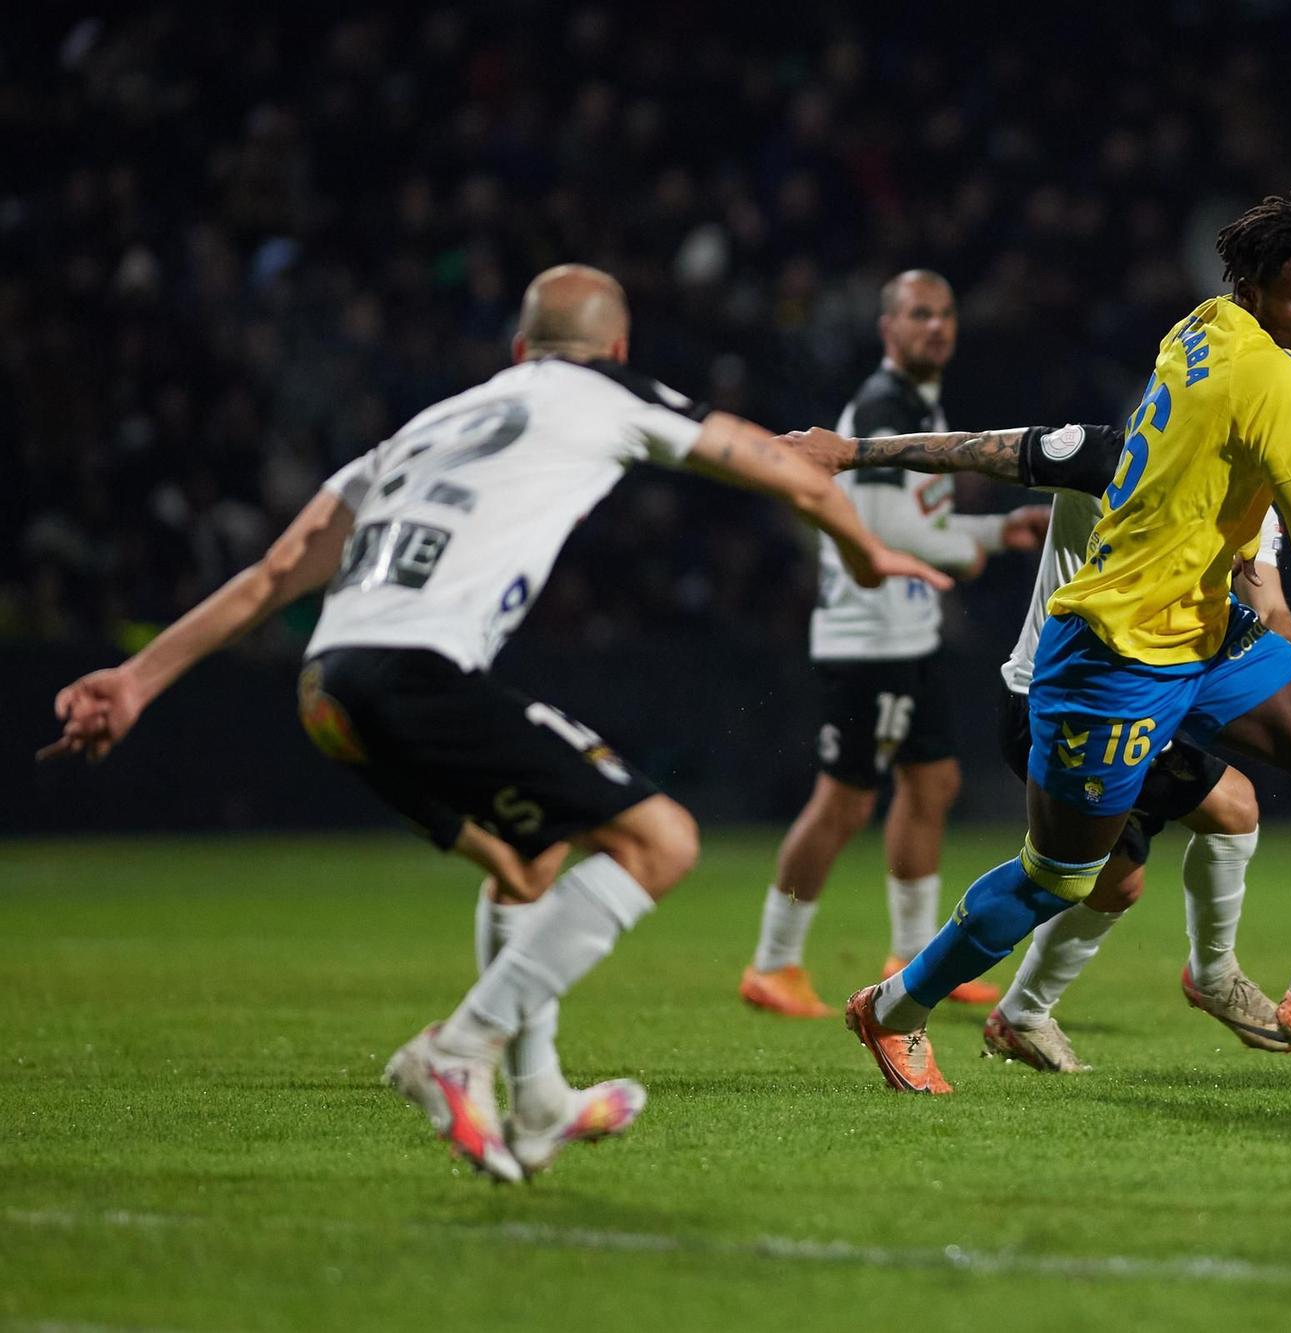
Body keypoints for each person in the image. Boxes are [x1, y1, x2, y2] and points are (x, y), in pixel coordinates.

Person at [38, 265, 950, 1179]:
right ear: (619, 349)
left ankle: (540, 1095)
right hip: (416, 672)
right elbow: (776, 465)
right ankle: (458, 1046)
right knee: (661, 842)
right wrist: (863, 550)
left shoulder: (427, 426)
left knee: (526, 862)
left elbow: (278, 572)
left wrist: (136, 680)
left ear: (517, 350)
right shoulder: (605, 391)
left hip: (328, 688)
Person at [838, 186, 1291, 1094]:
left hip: (1204, 632)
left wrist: (1277, 629)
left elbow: (1240, 507)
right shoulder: (1273, 377)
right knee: (1059, 879)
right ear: (1255, 289)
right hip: (1114, 655)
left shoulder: (1203, 324)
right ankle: (894, 1005)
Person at [788, 420, 1291, 1072]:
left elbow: (1268, 597)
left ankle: (1018, 1015)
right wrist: (851, 452)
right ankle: (897, 1006)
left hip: (1139, 701)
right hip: (1060, 701)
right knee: (1111, 856)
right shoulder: (1115, 454)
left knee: (1114, 884)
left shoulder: (1252, 492)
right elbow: (976, 449)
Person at [739, 269, 1043, 1020]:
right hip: (867, 635)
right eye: (918, 314)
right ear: (888, 330)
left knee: (932, 785)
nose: (935, 326)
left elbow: (911, 523)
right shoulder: (881, 403)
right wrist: (973, 544)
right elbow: (884, 531)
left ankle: (912, 954)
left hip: (907, 628)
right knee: (843, 802)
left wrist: (993, 531)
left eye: (945, 313)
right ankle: (773, 962)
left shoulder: (917, 402)